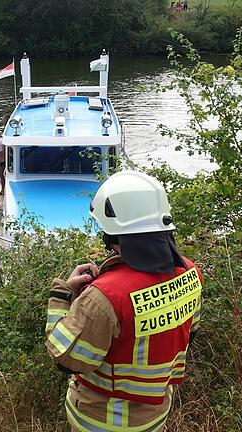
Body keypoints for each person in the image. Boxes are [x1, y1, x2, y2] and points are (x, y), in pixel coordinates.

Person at [44, 171, 203, 431]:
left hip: (100, 422)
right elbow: (188, 335)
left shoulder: (104, 297)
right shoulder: (190, 273)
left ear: (113, 236)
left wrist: (61, 296)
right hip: (155, 417)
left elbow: (66, 358)